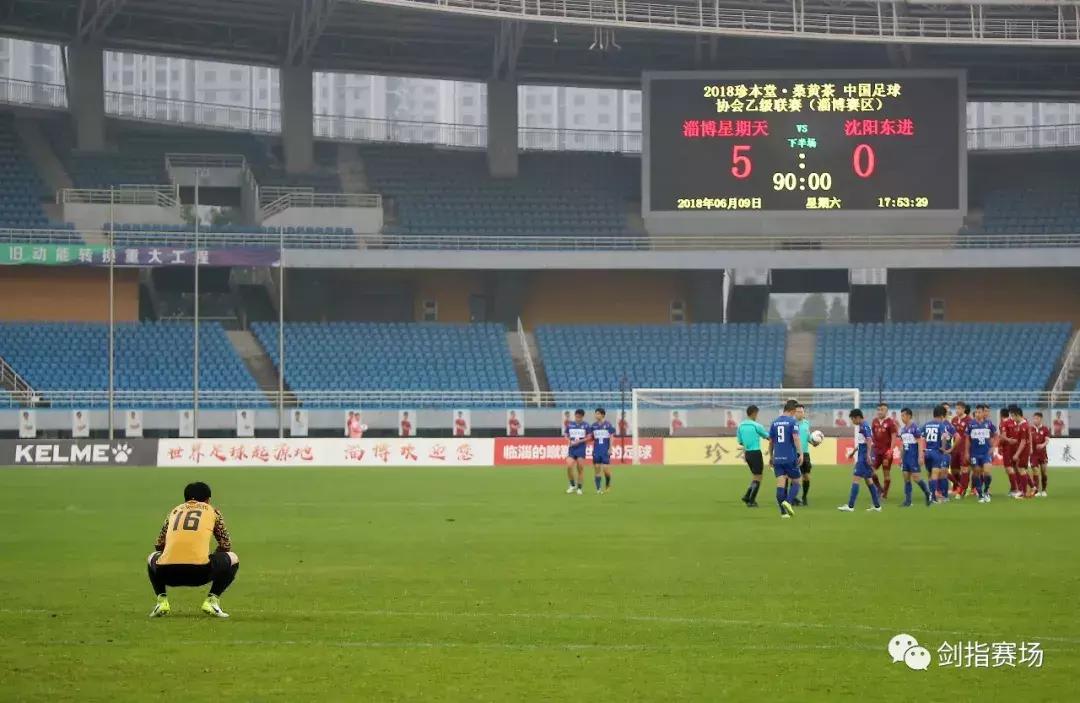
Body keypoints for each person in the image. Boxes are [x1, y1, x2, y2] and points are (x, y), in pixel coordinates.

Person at [147, 482, 238, 619]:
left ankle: (162, 601)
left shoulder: (175, 511)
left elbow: (159, 545)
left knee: (152, 557)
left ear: (186, 499)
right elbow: (226, 545)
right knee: (233, 558)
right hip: (200, 573)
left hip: (167, 573)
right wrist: (211, 557)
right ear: (208, 499)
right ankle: (212, 601)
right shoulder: (212, 511)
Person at [837, 409, 882, 512]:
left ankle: (850, 506)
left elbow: (869, 440)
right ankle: (877, 506)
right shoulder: (863, 426)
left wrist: (868, 455)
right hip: (864, 455)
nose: (852, 421)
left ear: (857, 417)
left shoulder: (864, 426)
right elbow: (863, 442)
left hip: (864, 457)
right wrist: (854, 452)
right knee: (869, 480)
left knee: (856, 478)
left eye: (852, 419)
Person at [768, 399, 802, 518]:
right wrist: (801, 453)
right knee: (797, 482)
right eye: (795, 411)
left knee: (780, 484)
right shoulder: (792, 422)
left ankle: (783, 513)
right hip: (790, 457)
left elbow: (771, 442)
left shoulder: (774, 422)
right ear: (792, 411)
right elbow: (796, 438)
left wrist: (771, 456)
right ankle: (788, 501)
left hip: (777, 458)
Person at [736, 405, 769, 508]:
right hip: (755, 453)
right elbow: (767, 436)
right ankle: (751, 500)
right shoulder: (756, 426)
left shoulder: (741, 426)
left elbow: (740, 442)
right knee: (759, 476)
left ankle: (747, 496)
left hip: (747, 454)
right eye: (757, 414)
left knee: (755, 476)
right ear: (754, 413)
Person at [898, 408, 932, 507]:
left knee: (916, 478)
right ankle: (908, 501)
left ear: (909, 416)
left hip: (913, 457)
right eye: (901, 415)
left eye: (903, 415)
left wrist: (921, 456)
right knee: (906, 477)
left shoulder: (914, 428)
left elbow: (920, 442)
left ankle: (928, 493)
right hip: (906, 457)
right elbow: (903, 445)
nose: (902, 417)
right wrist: (901, 458)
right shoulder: (903, 429)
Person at [922, 404, 955, 504]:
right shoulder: (941, 425)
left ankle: (931, 495)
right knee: (936, 475)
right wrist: (943, 448)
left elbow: (920, 436)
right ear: (942, 416)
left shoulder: (926, 424)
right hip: (936, 452)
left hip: (927, 452)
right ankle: (933, 498)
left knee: (930, 474)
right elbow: (944, 436)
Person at [967, 404, 997, 503]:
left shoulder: (989, 424)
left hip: (985, 453)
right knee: (976, 473)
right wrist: (967, 452)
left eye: (980, 412)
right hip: (974, 453)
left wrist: (993, 447)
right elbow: (967, 439)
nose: (977, 414)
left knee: (987, 472)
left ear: (983, 413)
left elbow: (996, 435)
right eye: (976, 412)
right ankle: (980, 495)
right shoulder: (971, 424)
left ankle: (986, 491)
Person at [870, 402, 896, 499]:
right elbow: (873, 436)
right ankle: (880, 488)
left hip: (886, 452)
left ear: (886, 411)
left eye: (882, 410)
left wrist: (891, 450)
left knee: (886, 473)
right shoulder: (874, 421)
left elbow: (894, 437)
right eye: (878, 410)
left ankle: (884, 494)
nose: (880, 412)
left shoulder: (890, 422)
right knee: (870, 471)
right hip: (876, 452)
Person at [949, 402, 973, 498]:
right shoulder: (954, 420)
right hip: (955, 448)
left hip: (964, 448)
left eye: (959, 408)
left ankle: (963, 489)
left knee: (964, 469)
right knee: (954, 470)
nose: (957, 410)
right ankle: (957, 487)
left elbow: (970, 436)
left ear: (963, 409)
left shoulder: (969, 420)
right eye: (956, 408)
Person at [590, 408, 616, 494]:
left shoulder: (608, 425)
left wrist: (610, 448)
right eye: (595, 414)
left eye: (598, 414)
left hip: (605, 450)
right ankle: (598, 489)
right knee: (597, 469)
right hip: (596, 450)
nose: (596, 415)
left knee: (606, 470)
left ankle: (608, 484)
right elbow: (592, 438)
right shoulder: (593, 426)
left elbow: (612, 436)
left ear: (602, 415)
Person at [1011, 405, 1034, 498]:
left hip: (1023, 450)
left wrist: (1017, 454)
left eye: (1013, 416)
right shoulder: (1021, 425)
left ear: (1017, 415)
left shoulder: (1023, 426)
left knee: (1021, 469)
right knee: (1022, 469)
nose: (1012, 418)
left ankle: (1024, 492)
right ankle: (1033, 487)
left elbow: (1023, 441)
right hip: (1024, 450)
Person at [565, 409, 589, 495]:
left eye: (579, 417)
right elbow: (566, 435)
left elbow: (589, 437)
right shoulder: (570, 424)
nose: (577, 418)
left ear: (582, 417)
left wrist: (580, 441)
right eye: (576, 416)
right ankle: (572, 485)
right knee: (569, 465)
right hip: (572, 448)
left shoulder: (586, 425)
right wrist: (569, 441)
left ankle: (579, 488)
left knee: (580, 468)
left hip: (581, 448)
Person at [794, 403, 813, 506]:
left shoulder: (806, 423)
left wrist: (814, 441)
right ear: (794, 412)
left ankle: (804, 497)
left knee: (806, 476)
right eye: (798, 411)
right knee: (794, 477)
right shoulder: (792, 423)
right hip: (795, 453)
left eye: (802, 411)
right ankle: (793, 498)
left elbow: (808, 437)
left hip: (805, 454)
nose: (800, 413)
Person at [998, 407, 1020, 497]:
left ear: (1001, 415)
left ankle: (1015, 489)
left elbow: (1003, 437)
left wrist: (999, 446)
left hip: (1007, 448)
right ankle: (1019, 487)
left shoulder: (1003, 423)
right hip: (1016, 447)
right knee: (1016, 468)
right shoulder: (1014, 421)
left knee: (1008, 468)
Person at [1031, 411, 1050, 497]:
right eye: (1034, 418)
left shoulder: (1045, 429)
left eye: (1037, 418)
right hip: (1033, 455)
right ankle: (1036, 490)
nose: (1035, 420)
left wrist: (1042, 445)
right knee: (1035, 471)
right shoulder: (1030, 429)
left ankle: (1044, 489)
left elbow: (1047, 440)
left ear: (1041, 419)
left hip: (1042, 454)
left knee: (1044, 473)